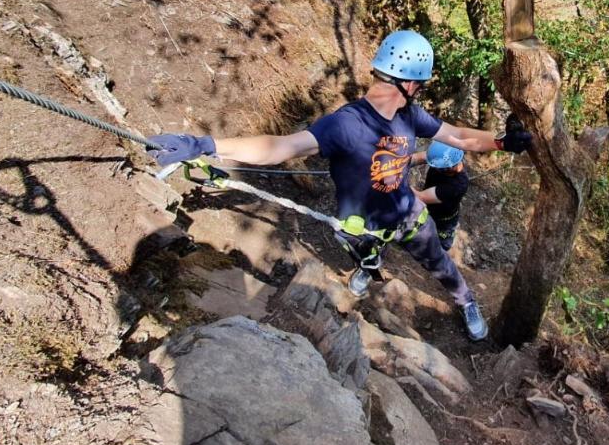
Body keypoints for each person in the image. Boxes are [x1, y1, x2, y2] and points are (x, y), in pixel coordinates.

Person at [145, 30, 532, 341]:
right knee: (363, 252)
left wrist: (500, 141)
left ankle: (465, 302)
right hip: (359, 222)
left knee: (440, 263)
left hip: (406, 214)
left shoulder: (410, 116)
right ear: (409, 84)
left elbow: (459, 137)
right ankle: (369, 266)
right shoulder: (344, 125)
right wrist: (207, 146)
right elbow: (281, 147)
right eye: (420, 86)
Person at [412, 140, 469, 252]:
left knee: (438, 249)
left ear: (449, 168)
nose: (435, 168)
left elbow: (420, 197)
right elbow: (418, 157)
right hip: (428, 210)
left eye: (438, 167)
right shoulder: (443, 157)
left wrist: (394, 180)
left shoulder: (457, 186)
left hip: (443, 221)